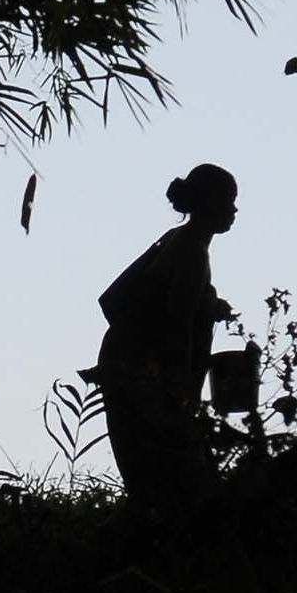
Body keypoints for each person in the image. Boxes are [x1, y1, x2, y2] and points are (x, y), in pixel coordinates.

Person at [94, 165, 237, 516]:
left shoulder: (176, 240)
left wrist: (209, 304)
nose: (234, 211)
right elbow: (177, 323)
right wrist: (181, 392)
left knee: (153, 480)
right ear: (210, 204)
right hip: (145, 376)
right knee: (169, 483)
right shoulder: (191, 251)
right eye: (229, 202)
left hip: (128, 367)